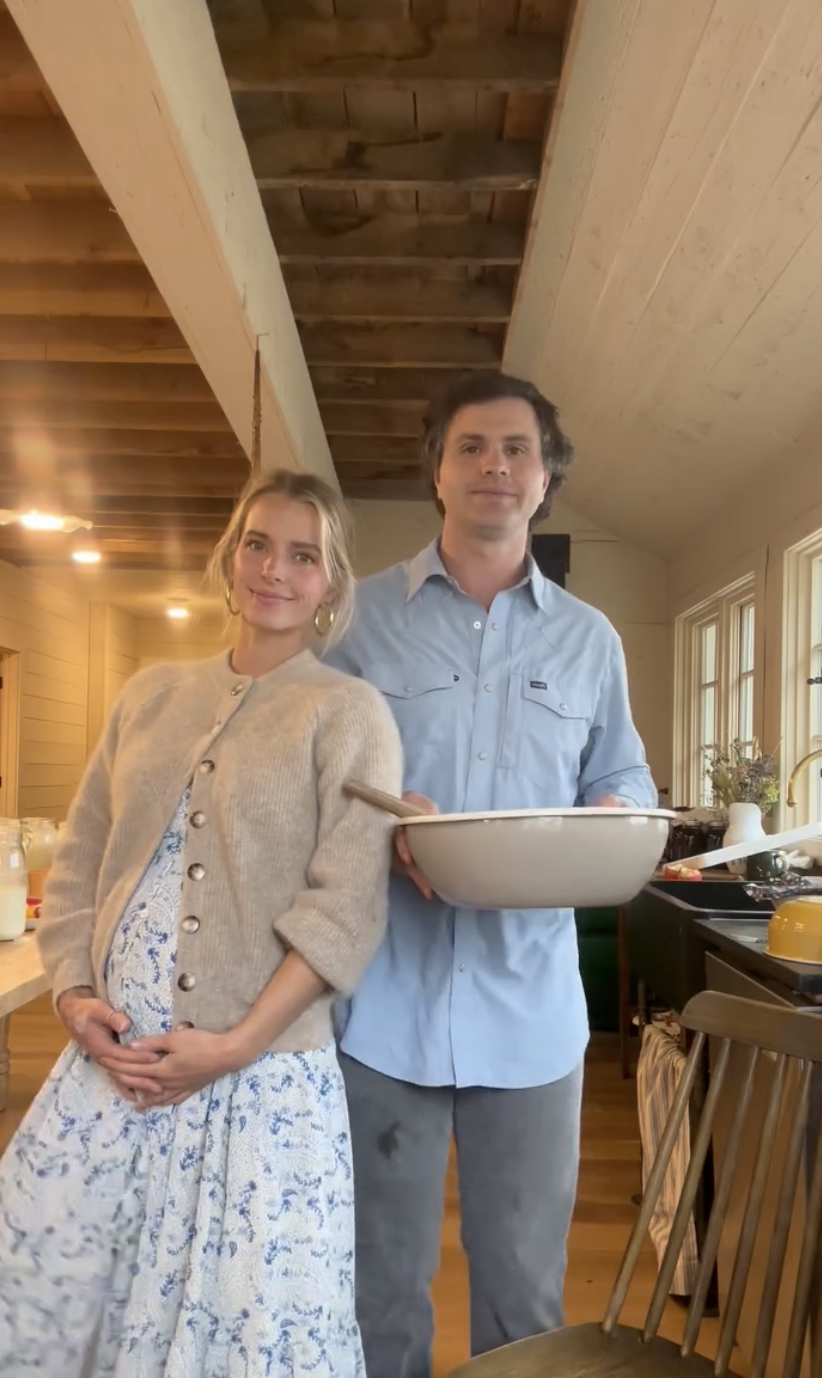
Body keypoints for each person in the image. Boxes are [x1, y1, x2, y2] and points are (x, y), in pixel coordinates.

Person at [0, 469, 403, 1377]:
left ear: (331, 584)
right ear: (229, 559)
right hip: (111, 1066)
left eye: (304, 555)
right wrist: (70, 996)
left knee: (242, 1331)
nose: (274, 569)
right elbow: (81, 859)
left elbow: (344, 910)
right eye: (257, 543)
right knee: (50, 1293)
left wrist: (232, 1047)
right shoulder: (150, 692)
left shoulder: (348, 712)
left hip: (258, 1088)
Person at [325, 370, 658, 1378]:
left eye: (516, 448)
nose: (495, 466)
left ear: (545, 476)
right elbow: (316, 776)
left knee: (523, 1284)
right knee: (379, 1279)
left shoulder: (589, 638)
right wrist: (378, 824)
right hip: (384, 1007)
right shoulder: (358, 619)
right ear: (437, 469)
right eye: (471, 446)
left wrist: (615, 812)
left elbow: (624, 770)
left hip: (533, 1015)